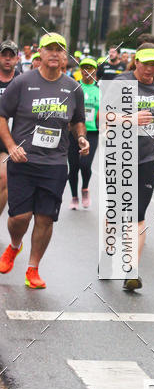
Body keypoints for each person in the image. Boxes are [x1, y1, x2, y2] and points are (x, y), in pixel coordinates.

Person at [0, 33, 87, 289]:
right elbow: (2, 116)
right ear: (40, 53)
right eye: (50, 49)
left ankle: (33, 268)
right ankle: (15, 246)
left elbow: (78, 120)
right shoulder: (23, 82)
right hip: (24, 161)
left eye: (60, 50)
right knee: (19, 218)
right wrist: (11, 146)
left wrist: (81, 138)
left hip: (56, 163)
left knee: (45, 218)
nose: (54, 54)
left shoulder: (73, 88)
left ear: (65, 56)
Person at [119, 41, 154, 291]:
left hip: (148, 156)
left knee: (137, 214)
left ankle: (131, 270)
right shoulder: (121, 83)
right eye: (147, 63)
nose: (151, 69)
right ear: (137, 62)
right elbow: (103, 118)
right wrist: (130, 118)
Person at [68, 57, 100, 210]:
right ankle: (74, 196)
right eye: (84, 68)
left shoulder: (99, 89)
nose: (87, 71)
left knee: (85, 165)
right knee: (73, 167)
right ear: (80, 70)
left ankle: (85, 188)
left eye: (90, 68)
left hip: (92, 132)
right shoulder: (74, 87)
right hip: (73, 132)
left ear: (95, 70)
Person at [0, 40, 20, 216]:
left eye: (11, 56)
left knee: (4, 179)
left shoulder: (22, 81)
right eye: (4, 55)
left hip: (7, 141)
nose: (7, 59)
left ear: (17, 59)